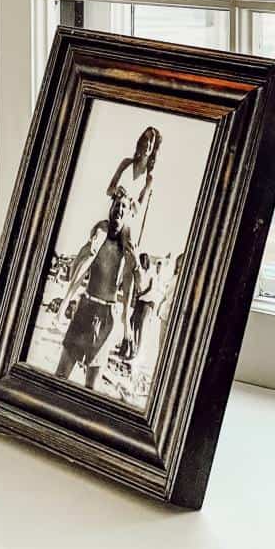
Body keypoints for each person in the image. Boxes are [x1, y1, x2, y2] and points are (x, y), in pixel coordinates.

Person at [55, 191, 140, 390]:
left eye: (124, 207)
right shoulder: (100, 233)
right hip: (86, 307)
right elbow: (82, 267)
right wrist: (66, 302)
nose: (119, 209)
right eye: (117, 205)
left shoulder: (127, 244)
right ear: (111, 208)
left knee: (91, 386)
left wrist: (126, 325)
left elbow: (131, 286)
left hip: (107, 314)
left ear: (128, 213)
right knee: (61, 374)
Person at [105, 127, 162, 240]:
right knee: (94, 242)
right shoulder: (126, 163)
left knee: (130, 246)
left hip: (126, 220)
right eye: (145, 139)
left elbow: (138, 209)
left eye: (152, 141)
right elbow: (108, 191)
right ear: (141, 142)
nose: (148, 143)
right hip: (112, 212)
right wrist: (116, 190)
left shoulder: (149, 178)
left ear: (154, 147)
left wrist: (130, 199)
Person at [129, 253, 155, 360]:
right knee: (132, 321)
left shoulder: (151, 272)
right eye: (141, 260)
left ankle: (138, 349)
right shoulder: (141, 271)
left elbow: (150, 287)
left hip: (148, 301)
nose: (143, 262)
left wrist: (141, 294)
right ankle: (133, 345)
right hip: (140, 299)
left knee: (141, 325)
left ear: (147, 260)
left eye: (144, 260)